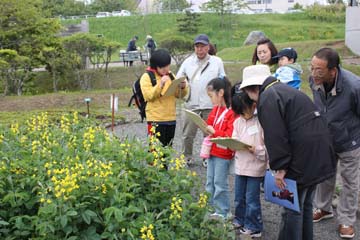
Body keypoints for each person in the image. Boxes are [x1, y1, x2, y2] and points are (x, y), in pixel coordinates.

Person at [239, 64, 336, 240]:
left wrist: (279, 169)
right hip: (319, 152)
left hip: (301, 156)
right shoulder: (286, 90)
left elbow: (275, 136)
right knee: (305, 205)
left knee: (291, 208)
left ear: (250, 89)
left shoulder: (268, 97)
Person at [309, 47, 360, 239]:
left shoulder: (354, 86)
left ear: (333, 70)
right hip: (326, 138)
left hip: (350, 141)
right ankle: (324, 208)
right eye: (312, 67)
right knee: (324, 175)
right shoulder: (314, 80)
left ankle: (346, 219)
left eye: (319, 70)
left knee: (349, 181)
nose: (314, 73)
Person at [176, 34, 226, 167]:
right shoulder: (188, 62)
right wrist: (181, 84)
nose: (200, 49)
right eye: (197, 46)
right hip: (191, 104)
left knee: (209, 133)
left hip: (211, 104)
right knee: (187, 134)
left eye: (202, 46)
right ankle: (187, 157)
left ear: (208, 47)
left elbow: (223, 79)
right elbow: (179, 78)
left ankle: (207, 157)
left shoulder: (217, 61)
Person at [231, 90, 267, 238]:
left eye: (244, 112)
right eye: (240, 113)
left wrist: (255, 149)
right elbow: (234, 138)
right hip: (240, 166)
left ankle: (254, 226)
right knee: (239, 197)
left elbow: (268, 149)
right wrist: (232, 144)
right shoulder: (238, 121)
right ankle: (240, 219)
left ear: (253, 105)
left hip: (255, 167)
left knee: (252, 199)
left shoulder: (262, 122)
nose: (243, 115)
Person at [140, 49, 188, 147]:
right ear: (155, 66)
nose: (166, 69)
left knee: (168, 149)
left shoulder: (170, 75)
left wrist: (182, 87)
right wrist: (160, 85)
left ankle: (166, 163)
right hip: (155, 119)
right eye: (162, 67)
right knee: (155, 150)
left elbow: (179, 95)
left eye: (167, 65)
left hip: (171, 118)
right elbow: (148, 96)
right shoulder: (147, 77)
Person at [204, 76, 235, 219]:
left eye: (211, 96)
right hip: (212, 151)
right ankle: (210, 208)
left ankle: (223, 211)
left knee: (219, 183)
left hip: (223, 153)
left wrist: (213, 131)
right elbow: (209, 123)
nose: (211, 99)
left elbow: (229, 136)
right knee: (210, 181)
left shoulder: (231, 112)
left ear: (220, 93)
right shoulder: (216, 109)